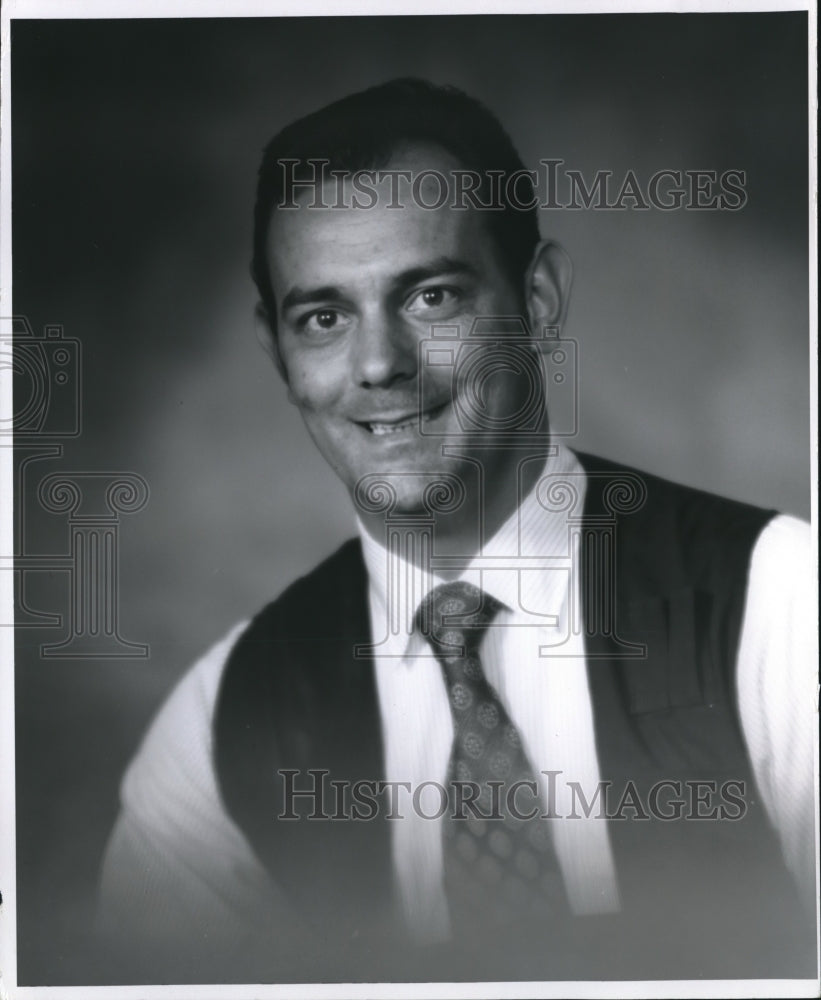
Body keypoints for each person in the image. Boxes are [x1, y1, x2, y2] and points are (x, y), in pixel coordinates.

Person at [97, 79, 816, 984]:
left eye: (431, 297)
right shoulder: (220, 724)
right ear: (277, 354)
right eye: (323, 318)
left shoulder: (782, 609)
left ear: (541, 299)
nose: (378, 364)